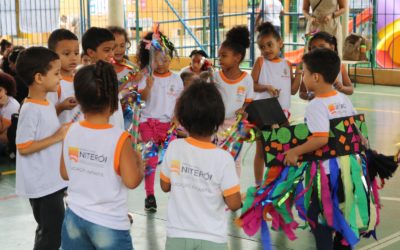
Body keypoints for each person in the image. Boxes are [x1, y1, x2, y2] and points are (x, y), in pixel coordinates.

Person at [60, 61, 143, 250]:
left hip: (74, 217)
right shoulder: (120, 138)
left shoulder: (69, 131)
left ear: (79, 99)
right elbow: (131, 181)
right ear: (113, 98)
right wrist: (139, 162)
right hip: (108, 223)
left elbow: (65, 174)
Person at [284, 48, 358, 249]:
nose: (304, 76)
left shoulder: (316, 105)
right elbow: (356, 130)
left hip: (326, 176)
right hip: (347, 172)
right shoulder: (343, 99)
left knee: (317, 218)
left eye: (305, 72)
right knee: (340, 215)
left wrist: (294, 151)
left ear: (315, 77)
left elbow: (320, 139)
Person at [161, 79, 242, 250]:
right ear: (218, 119)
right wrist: (244, 197)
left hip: (177, 236)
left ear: (183, 117)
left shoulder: (175, 148)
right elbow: (233, 204)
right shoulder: (223, 158)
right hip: (212, 238)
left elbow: (165, 185)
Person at [15, 47, 68, 250]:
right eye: (56, 73)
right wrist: (57, 136)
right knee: (51, 233)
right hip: (41, 185)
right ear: (39, 77)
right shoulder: (29, 108)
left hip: (50, 180)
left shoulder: (44, 103)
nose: (60, 78)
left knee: (53, 229)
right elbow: (24, 146)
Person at [137, 31, 184, 212]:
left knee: (172, 160)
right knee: (151, 159)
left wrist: (177, 118)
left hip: (168, 126)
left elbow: (179, 102)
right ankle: (150, 195)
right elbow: (142, 99)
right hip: (147, 123)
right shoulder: (146, 76)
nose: (163, 62)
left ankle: (177, 195)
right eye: (158, 59)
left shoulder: (176, 79)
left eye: (166, 58)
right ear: (152, 60)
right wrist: (147, 87)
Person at [251, 22, 300, 185]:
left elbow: (293, 90)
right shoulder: (260, 62)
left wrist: (299, 74)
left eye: (269, 45)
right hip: (263, 113)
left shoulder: (287, 64)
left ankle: (277, 182)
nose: (266, 50)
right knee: (261, 150)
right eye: (262, 47)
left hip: (282, 114)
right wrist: (267, 87)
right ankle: (259, 184)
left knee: (282, 148)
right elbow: (251, 85)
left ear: (280, 43)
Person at [213, 25, 254, 177]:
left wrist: (244, 111)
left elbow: (248, 102)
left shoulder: (247, 79)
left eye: (224, 56)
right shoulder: (216, 77)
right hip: (216, 125)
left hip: (236, 127)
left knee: (234, 159)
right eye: (219, 56)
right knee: (216, 156)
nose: (220, 59)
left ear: (237, 57)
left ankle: (233, 189)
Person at [82, 27, 124, 130]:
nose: (112, 54)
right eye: (106, 50)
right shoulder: (87, 78)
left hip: (115, 127)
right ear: (91, 53)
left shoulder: (109, 72)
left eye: (112, 49)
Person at [298, 31, 353, 100]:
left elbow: (350, 90)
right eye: (314, 48)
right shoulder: (308, 68)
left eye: (322, 46)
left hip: (335, 107)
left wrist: (342, 88)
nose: (318, 50)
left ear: (332, 47)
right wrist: (308, 96)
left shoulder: (339, 66)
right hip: (318, 108)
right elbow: (302, 92)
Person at [108, 26, 143, 129]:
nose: (118, 50)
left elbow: (137, 93)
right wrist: (128, 78)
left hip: (126, 113)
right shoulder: (105, 67)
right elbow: (113, 91)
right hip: (108, 115)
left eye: (122, 45)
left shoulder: (132, 68)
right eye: (114, 47)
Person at [47, 29, 81, 124]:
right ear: (52, 55)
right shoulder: (53, 84)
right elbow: (46, 117)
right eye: (66, 54)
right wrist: (61, 107)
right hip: (61, 136)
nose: (73, 58)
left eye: (76, 53)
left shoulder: (80, 79)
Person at [0, 72, 19, 145]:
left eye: (0, 90)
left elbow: (2, 131)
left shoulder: (12, 106)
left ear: (6, 90)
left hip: (6, 142)